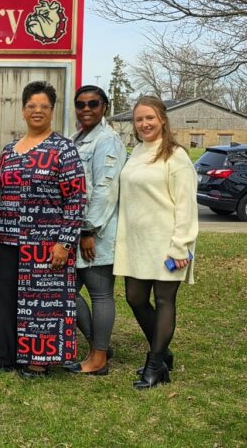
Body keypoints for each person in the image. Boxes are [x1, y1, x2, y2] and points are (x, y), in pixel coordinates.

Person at [0, 81, 85, 378]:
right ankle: (3, 355)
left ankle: (38, 359)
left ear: (52, 111)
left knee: (41, 304)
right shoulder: (8, 151)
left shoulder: (64, 150)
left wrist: (65, 243)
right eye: (31, 106)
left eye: (44, 107)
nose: (37, 111)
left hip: (45, 242)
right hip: (5, 238)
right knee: (4, 297)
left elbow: (76, 199)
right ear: (23, 111)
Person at [114, 96, 198, 389]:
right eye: (139, 119)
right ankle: (163, 353)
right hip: (137, 243)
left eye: (149, 118)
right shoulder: (136, 151)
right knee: (135, 298)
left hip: (168, 243)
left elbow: (186, 205)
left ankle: (155, 365)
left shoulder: (176, 156)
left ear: (162, 118)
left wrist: (181, 245)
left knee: (164, 300)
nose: (144, 124)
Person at [66, 86, 127, 376]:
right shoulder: (77, 139)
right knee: (66, 291)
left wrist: (88, 229)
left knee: (100, 294)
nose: (86, 109)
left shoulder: (108, 140)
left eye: (93, 103)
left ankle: (99, 357)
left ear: (104, 106)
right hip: (77, 231)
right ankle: (97, 345)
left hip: (96, 233)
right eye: (80, 104)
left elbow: (105, 189)